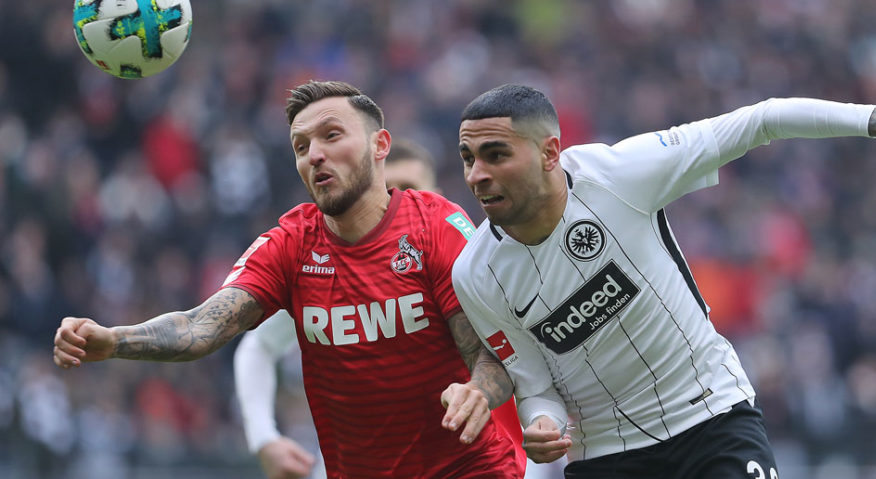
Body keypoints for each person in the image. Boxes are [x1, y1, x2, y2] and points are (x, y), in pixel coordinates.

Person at [450, 84, 876, 478]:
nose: (477, 174)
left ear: (549, 153)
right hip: (607, 455)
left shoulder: (620, 174)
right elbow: (535, 384)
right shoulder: (475, 274)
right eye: (469, 158)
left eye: (496, 155)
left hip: (711, 416)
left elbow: (763, 119)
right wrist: (541, 427)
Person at [53, 80, 525, 479]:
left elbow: (495, 348)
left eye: (331, 135)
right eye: (302, 146)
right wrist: (114, 339)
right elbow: (203, 327)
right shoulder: (292, 244)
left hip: (470, 469)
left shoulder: (436, 225)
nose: (315, 155)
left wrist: (478, 392)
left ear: (380, 146)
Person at [233, 139, 530, 479]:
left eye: (409, 189)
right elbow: (258, 345)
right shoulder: (332, 281)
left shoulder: (472, 263)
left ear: (433, 193)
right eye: (389, 190)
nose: (398, 200)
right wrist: (263, 437)